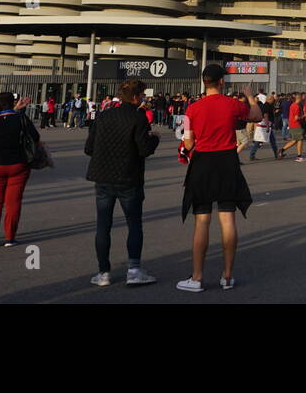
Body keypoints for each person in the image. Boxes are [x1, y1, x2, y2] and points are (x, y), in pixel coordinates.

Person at [178, 65, 260, 292]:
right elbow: (257, 115)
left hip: (202, 163)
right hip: (227, 162)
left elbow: (187, 143)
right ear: (221, 81)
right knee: (227, 218)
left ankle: (196, 277)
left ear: (204, 82)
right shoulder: (232, 104)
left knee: (202, 220)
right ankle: (227, 276)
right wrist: (250, 97)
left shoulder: (191, 110)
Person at [85, 77, 160, 286]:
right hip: (129, 177)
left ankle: (103, 272)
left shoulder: (103, 115)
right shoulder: (139, 118)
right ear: (136, 97)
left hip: (103, 176)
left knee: (103, 225)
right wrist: (154, 138)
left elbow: (88, 148)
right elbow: (144, 149)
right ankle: (134, 270)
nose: (144, 99)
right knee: (134, 224)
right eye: (143, 95)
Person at [0, 92, 43, 248]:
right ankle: (10, 237)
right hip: (18, 163)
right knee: (13, 202)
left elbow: (2, 115)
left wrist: (13, 108)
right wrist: (17, 110)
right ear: (13, 103)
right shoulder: (21, 119)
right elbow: (35, 137)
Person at [278, 93, 306, 161]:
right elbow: (296, 118)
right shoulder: (296, 106)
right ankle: (299, 156)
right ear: (299, 99)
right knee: (300, 140)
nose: (303, 99)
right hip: (296, 125)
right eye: (302, 98)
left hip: (292, 124)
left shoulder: (293, 105)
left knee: (294, 140)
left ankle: (282, 150)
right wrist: (304, 115)